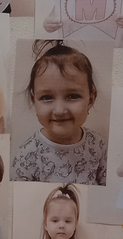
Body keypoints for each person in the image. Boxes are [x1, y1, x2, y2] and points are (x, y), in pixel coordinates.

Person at [11, 41, 107, 185]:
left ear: (91, 99)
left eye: (73, 96)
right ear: (34, 101)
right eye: (46, 97)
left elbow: (108, 190)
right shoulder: (26, 155)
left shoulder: (98, 145)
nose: (59, 110)